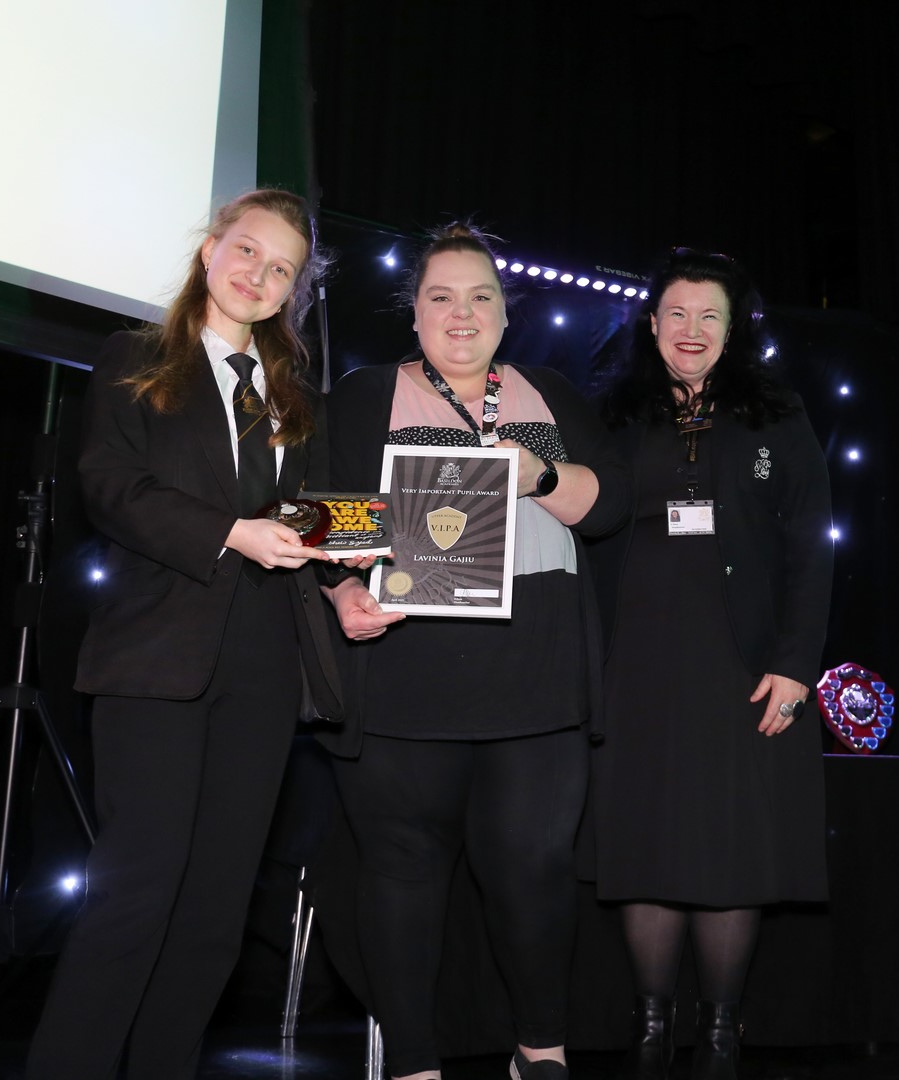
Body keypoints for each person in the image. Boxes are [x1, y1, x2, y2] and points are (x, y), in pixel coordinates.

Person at [26, 188, 357, 1080]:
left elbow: (313, 519)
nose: (259, 275)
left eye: (282, 268)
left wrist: (346, 588)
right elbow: (111, 488)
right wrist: (230, 532)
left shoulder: (296, 396)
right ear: (211, 249)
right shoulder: (136, 358)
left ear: (293, 290)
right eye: (247, 251)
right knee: (136, 895)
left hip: (264, 669)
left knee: (215, 912)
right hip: (156, 657)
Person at [322, 224, 631, 1080]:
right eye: (441, 297)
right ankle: (414, 1065)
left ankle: (541, 1051)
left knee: (535, 871)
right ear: (414, 313)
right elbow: (329, 515)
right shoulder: (365, 396)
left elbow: (611, 505)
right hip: (403, 679)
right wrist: (342, 592)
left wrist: (538, 474)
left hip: (538, 679)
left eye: (480, 297)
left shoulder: (550, 395)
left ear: (505, 313)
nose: (462, 314)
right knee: (401, 875)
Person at [590, 249, 833, 1080]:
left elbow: (812, 545)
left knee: (734, 847)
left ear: (733, 330)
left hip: (744, 667)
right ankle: (650, 1032)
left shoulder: (778, 414)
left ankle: (723, 1037)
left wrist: (797, 664)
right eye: (677, 314)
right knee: (645, 842)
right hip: (634, 663)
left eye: (709, 316)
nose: (691, 331)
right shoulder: (610, 413)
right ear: (651, 323)